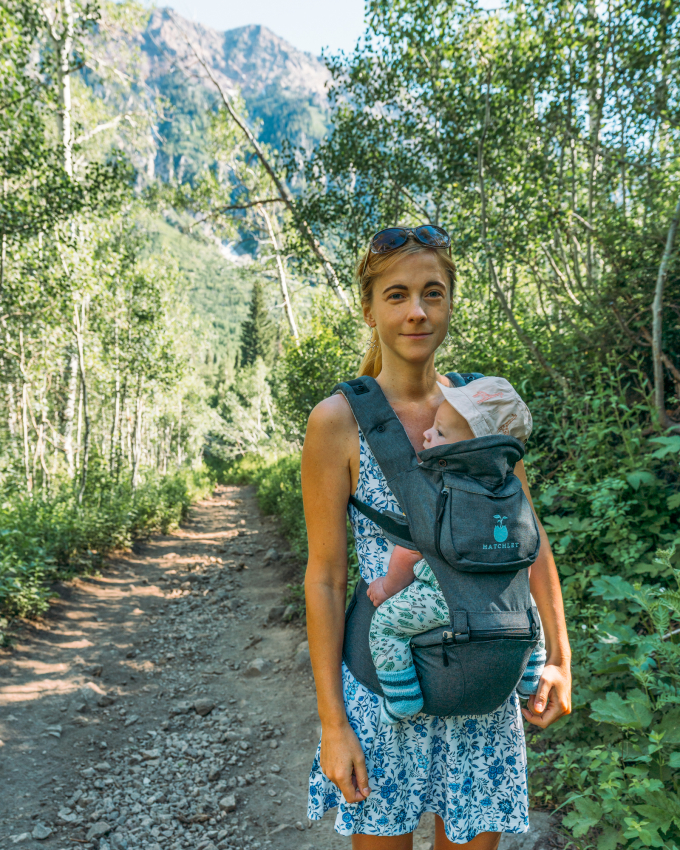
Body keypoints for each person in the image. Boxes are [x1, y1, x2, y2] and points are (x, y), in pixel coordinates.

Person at [302, 224, 571, 849]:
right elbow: (326, 576)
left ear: (451, 301)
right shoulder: (338, 422)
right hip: (386, 689)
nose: (417, 311)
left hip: (484, 682)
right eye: (396, 295)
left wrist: (558, 658)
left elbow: (530, 542)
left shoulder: (480, 407)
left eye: (432, 292)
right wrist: (332, 723)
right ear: (369, 308)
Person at [366, 377, 546, 726]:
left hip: (446, 598)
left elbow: (408, 552)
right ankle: (530, 679)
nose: (427, 436)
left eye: (441, 433)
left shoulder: (435, 488)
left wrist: (387, 588)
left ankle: (402, 698)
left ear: (471, 450)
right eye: (433, 427)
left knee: (386, 626)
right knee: (530, 614)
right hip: (504, 599)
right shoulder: (509, 490)